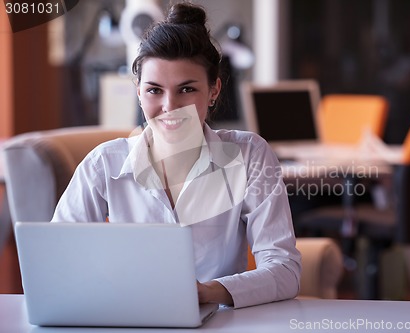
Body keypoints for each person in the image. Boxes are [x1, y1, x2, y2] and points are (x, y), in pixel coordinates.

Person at [51, 2, 301, 309]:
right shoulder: (104, 164)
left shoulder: (249, 155)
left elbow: (285, 270)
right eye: (155, 90)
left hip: (220, 325)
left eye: (186, 89)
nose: (170, 106)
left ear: (214, 90)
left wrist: (209, 292)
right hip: (129, 320)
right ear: (139, 92)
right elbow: (58, 263)